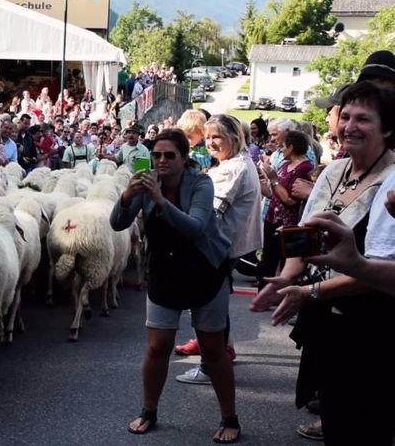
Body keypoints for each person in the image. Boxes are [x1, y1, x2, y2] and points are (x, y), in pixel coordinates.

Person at [251, 81, 395, 446]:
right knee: (335, 417)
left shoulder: (391, 181)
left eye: (363, 119)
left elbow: (380, 269)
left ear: (389, 128)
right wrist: (285, 278)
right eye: (345, 116)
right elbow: (303, 237)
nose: (349, 126)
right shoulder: (334, 171)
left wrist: (310, 291)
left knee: (365, 424)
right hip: (328, 324)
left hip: (370, 326)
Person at [111, 128, 239, 444]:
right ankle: (149, 411)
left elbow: (195, 227)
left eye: (170, 155)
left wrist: (157, 199)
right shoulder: (146, 183)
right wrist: (127, 196)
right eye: (156, 155)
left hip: (204, 267)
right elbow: (117, 223)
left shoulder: (201, 183)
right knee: (157, 347)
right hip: (166, 268)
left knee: (213, 348)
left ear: (184, 158)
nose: (162, 161)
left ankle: (229, 417)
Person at [175, 114, 263, 385]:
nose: (211, 143)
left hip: (217, 247)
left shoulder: (231, 169)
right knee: (218, 303)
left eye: (217, 137)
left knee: (208, 305)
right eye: (209, 137)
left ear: (233, 138)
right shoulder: (239, 162)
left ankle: (210, 365)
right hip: (229, 245)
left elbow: (209, 213)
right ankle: (223, 349)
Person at [255, 131, 314, 287]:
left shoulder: (305, 168)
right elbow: (273, 193)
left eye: (283, 146)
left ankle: (280, 296)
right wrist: (261, 180)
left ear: (291, 147)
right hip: (272, 218)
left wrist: (273, 180)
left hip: (289, 225)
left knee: (284, 263)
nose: (281, 150)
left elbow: (289, 200)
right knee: (268, 260)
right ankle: (264, 295)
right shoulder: (285, 165)